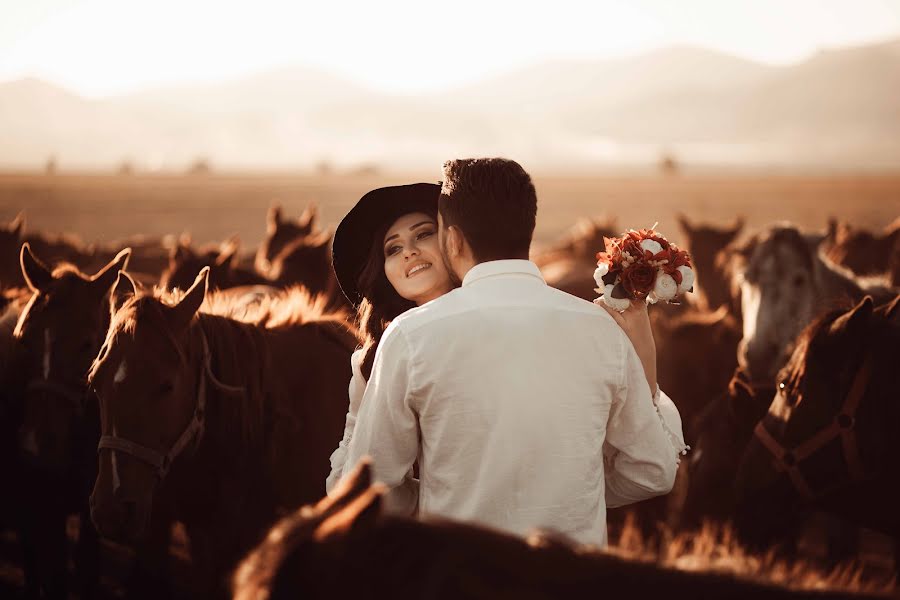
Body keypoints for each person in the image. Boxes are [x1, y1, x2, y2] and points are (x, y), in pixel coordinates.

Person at [332, 162, 686, 546]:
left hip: (461, 576)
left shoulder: (409, 339)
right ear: (528, 227)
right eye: (393, 248)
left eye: (424, 233)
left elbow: (372, 487)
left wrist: (440, 499)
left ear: (452, 241)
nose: (410, 253)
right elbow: (653, 470)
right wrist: (571, 493)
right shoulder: (599, 329)